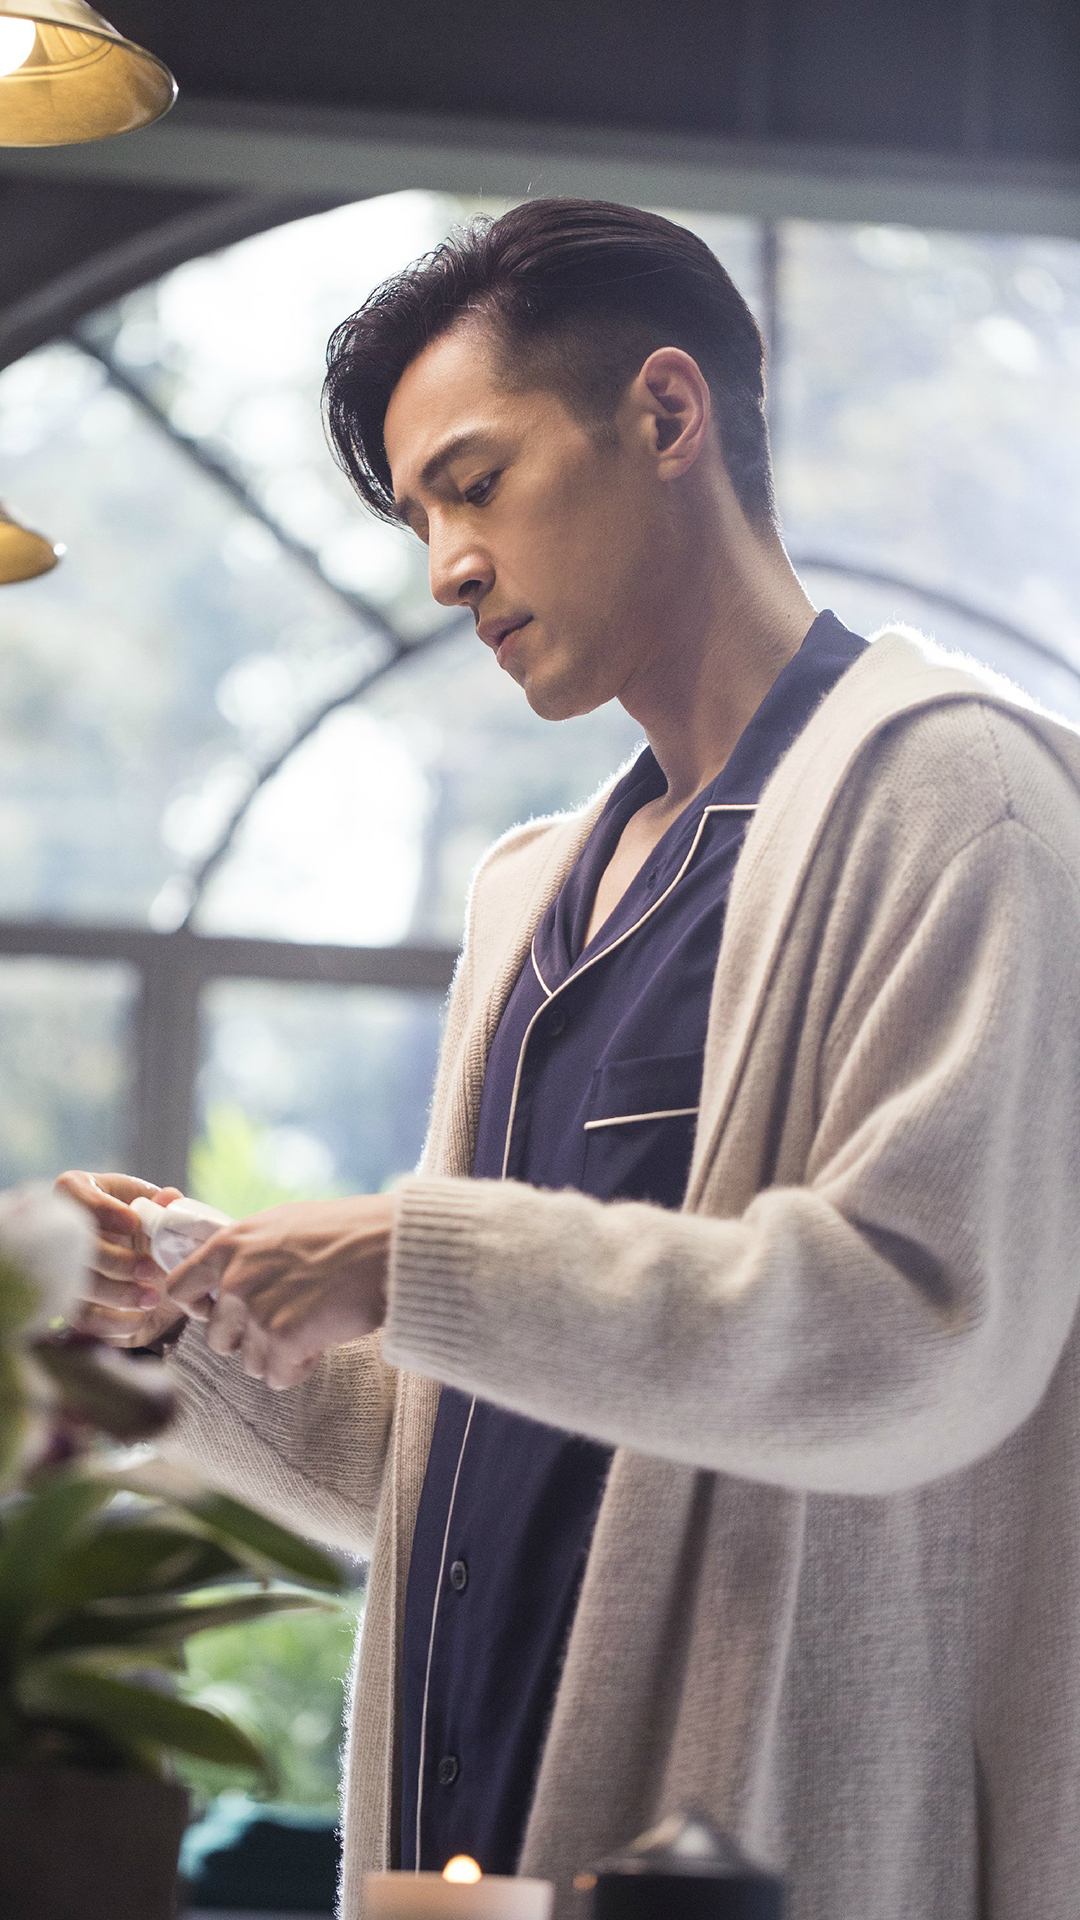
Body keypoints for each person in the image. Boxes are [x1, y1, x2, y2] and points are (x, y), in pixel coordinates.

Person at [58, 200, 1080, 1920]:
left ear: (667, 418)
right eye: (416, 517)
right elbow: (452, 1467)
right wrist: (184, 1322)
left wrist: (403, 1250)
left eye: (474, 480)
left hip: (787, 1851)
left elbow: (924, 1335)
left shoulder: (957, 799)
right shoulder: (531, 899)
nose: (446, 564)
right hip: (465, 1842)